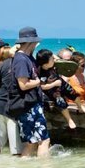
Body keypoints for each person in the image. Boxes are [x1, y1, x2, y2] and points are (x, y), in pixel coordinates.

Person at [8, 27, 50, 158]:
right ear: (31, 42)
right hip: (28, 106)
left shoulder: (28, 58)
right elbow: (23, 84)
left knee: (31, 143)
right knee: (43, 141)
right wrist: (39, 82)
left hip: (30, 105)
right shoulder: (21, 59)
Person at [35, 48, 81, 129]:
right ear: (45, 64)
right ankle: (69, 120)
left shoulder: (52, 64)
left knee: (72, 91)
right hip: (51, 89)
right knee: (60, 100)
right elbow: (42, 87)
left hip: (60, 83)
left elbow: (56, 58)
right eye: (52, 59)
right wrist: (54, 84)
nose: (54, 59)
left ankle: (80, 106)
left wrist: (54, 56)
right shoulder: (41, 72)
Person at [0, 46, 22, 156]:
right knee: (16, 149)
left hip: (0, 105)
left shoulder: (3, 65)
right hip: (13, 107)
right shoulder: (21, 65)